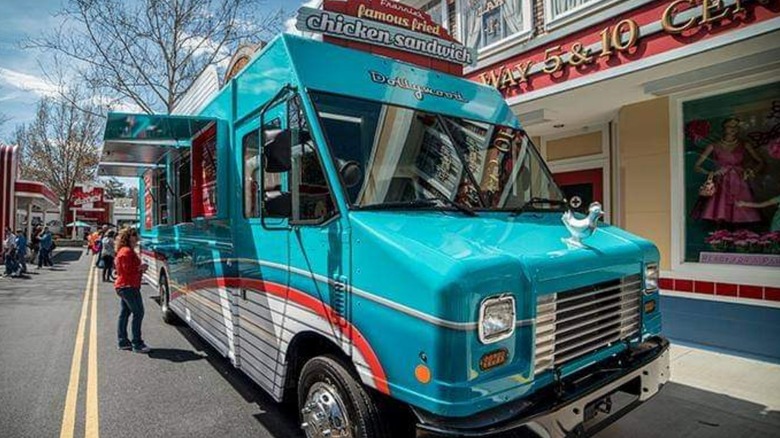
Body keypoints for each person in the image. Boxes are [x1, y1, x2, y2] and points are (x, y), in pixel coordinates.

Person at [693, 117, 763, 223]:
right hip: (722, 182)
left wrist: (752, 171)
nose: (733, 129)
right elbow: (696, 166)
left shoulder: (744, 145)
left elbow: (760, 162)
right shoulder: (714, 146)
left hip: (740, 181)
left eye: (736, 126)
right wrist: (712, 173)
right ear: (724, 128)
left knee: (742, 212)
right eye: (729, 126)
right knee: (720, 213)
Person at [114, 228, 150, 353]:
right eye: (134, 235)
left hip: (125, 286)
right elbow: (128, 270)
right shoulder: (127, 252)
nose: (137, 237)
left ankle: (123, 341)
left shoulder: (124, 251)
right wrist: (141, 268)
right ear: (128, 237)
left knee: (125, 314)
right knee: (138, 313)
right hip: (129, 286)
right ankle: (137, 343)